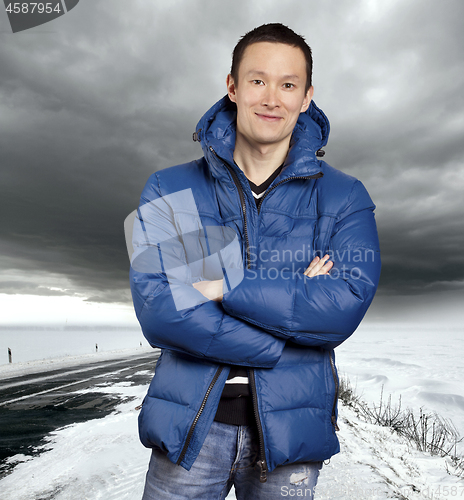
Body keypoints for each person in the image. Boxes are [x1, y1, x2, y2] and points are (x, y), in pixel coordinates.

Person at [128, 23, 381, 499]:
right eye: (258, 80)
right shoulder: (170, 188)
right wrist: (288, 330)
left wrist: (225, 287)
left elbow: (341, 308)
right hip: (189, 430)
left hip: (289, 440)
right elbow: (161, 310)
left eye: (288, 85)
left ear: (306, 97)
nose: (272, 98)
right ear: (233, 86)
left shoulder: (345, 197)